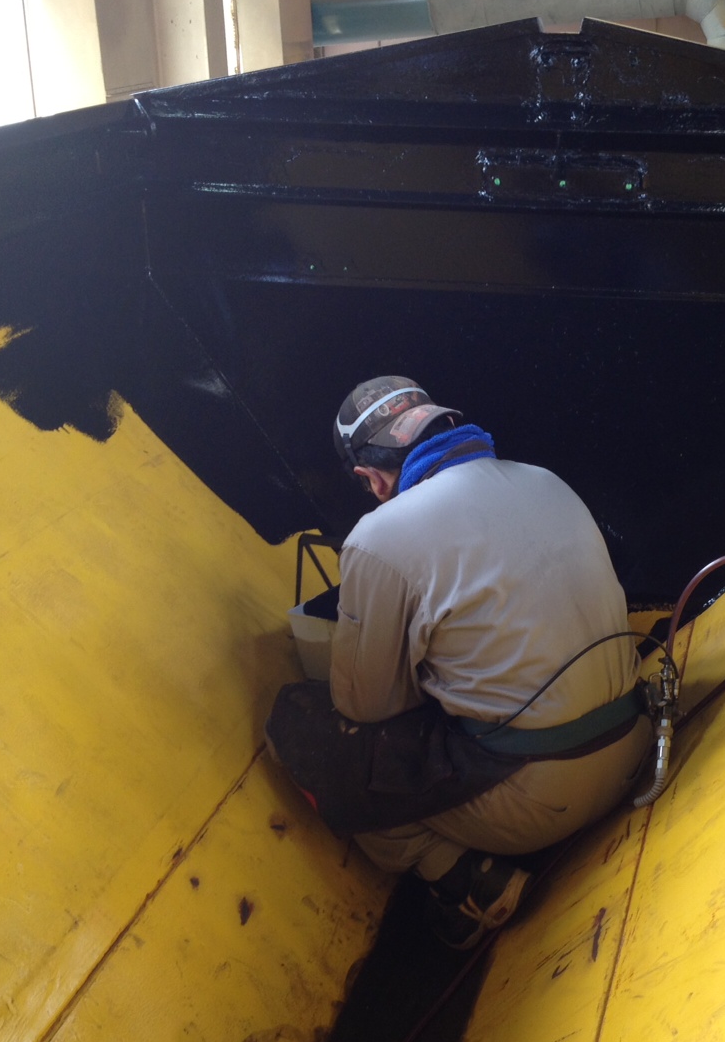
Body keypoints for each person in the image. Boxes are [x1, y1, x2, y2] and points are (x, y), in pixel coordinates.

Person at [265, 377, 652, 947]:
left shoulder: (378, 537)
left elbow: (366, 707)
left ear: (371, 478)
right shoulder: (546, 480)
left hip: (539, 803)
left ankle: (461, 878)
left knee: (308, 731)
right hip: (638, 746)